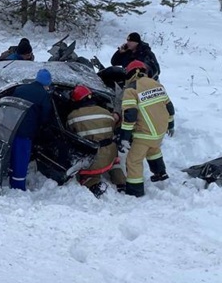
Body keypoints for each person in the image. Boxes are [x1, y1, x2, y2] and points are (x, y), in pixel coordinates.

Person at [118, 60, 175, 197]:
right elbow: (169, 107)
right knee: (153, 149)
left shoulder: (131, 89)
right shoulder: (157, 84)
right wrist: (171, 124)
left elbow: (130, 115)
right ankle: (160, 172)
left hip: (144, 134)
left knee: (134, 160)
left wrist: (125, 137)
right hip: (160, 131)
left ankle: (135, 190)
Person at [66, 85, 126, 197]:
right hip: (111, 154)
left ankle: (93, 184)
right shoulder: (106, 112)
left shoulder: (72, 117)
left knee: (86, 166)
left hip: (94, 157)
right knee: (114, 160)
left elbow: (69, 136)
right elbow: (114, 126)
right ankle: (121, 182)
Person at [9, 68, 53, 190]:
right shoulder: (44, 95)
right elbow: (45, 117)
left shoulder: (20, 89)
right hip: (26, 131)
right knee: (21, 158)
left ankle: (9, 174)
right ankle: (18, 186)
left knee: (12, 154)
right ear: (47, 83)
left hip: (10, 128)